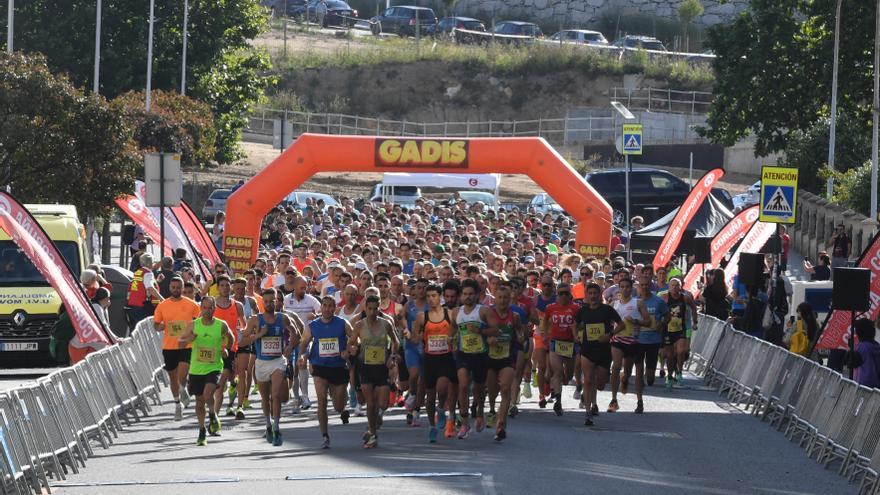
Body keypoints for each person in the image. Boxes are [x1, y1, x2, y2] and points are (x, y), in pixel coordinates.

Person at [240, 288, 299, 446]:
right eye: (265, 301)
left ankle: (276, 427)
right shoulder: (255, 320)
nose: (269, 304)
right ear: (262, 302)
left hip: (278, 361)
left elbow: (296, 333)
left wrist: (289, 346)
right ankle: (267, 425)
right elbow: (242, 342)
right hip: (261, 363)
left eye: (271, 301)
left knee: (276, 395)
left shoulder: (283, 318)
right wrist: (259, 335)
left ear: (277, 301)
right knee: (265, 398)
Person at [298, 296, 355, 449]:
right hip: (319, 367)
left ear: (335, 308)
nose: (328, 309)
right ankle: (325, 435)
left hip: (338, 367)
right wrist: (303, 356)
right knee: (321, 400)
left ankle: (343, 405)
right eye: (325, 305)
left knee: (338, 406)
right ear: (321, 307)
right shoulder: (313, 325)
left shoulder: (343, 323)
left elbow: (355, 340)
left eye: (331, 306)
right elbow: (304, 342)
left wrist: (348, 351)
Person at [178, 296, 234, 446]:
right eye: (205, 308)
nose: (208, 311)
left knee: (207, 393)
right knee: (199, 402)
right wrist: (189, 339)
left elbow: (231, 338)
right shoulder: (193, 325)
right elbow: (180, 344)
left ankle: (212, 413)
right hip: (196, 368)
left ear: (214, 309)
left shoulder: (221, 325)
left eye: (211, 308)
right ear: (200, 308)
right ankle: (202, 430)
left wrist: (226, 349)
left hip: (214, 366)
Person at [349, 295, 399, 448]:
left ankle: (374, 422)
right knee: (370, 404)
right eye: (369, 309)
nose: (372, 312)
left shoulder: (387, 323)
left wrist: (392, 356)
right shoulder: (359, 325)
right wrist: (351, 349)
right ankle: (372, 433)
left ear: (379, 308)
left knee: (382, 404)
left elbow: (395, 342)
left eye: (375, 309)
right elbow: (350, 343)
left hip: (381, 368)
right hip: (365, 368)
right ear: (365, 308)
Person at [451, 278, 498, 438]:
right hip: (463, 354)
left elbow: (495, 330)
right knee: (463, 385)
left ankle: (479, 412)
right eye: (465, 294)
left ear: (477, 295)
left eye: (471, 294)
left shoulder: (484, 311)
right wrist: (451, 342)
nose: (468, 297)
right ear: (461, 296)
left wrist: (481, 332)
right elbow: (453, 331)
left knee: (478, 388)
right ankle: (464, 423)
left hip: (480, 355)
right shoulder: (456, 312)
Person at [413, 283, 459, 442]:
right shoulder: (421, 317)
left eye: (434, 296)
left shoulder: (451, 314)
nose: (431, 299)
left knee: (443, 387)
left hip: (446, 357)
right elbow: (414, 337)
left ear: (440, 297)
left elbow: (458, 331)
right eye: (428, 297)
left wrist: (453, 338)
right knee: (430, 395)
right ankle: (432, 426)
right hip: (429, 359)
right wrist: (414, 337)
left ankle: (441, 409)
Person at [153, 277, 201, 420]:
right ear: (169, 288)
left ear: (182, 288)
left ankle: (182, 387)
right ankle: (177, 404)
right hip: (169, 346)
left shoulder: (192, 305)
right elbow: (156, 324)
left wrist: (192, 335)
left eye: (178, 287)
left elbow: (198, 323)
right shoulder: (163, 305)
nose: (176, 290)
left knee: (182, 374)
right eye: (173, 287)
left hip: (186, 344)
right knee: (173, 378)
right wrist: (160, 327)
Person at [576, 283, 621, 425]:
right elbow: (574, 324)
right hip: (587, 350)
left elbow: (622, 324)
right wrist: (575, 334)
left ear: (599, 294)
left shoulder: (607, 310)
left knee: (600, 383)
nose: (593, 296)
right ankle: (588, 412)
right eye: (590, 293)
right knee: (588, 380)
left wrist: (610, 334)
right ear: (586, 295)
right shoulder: (582, 311)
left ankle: (593, 399)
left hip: (603, 351)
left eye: (595, 293)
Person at [485, 281, 523, 441]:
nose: (502, 300)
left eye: (505, 298)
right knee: (492, 390)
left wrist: (521, 337)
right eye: (499, 297)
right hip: (490, 357)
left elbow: (520, 333)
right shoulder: (488, 314)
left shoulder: (514, 316)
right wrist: (489, 339)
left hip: (507, 357)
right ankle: (493, 409)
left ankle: (501, 423)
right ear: (494, 298)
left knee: (506, 388)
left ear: (510, 298)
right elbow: (481, 333)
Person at [609, 277, 649, 413]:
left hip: (634, 341)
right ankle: (614, 400)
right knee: (616, 366)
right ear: (619, 288)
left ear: (631, 288)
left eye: (627, 286)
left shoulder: (638, 303)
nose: (625, 289)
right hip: (618, 339)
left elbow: (648, 322)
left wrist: (636, 321)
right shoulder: (614, 304)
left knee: (633, 372)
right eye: (622, 286)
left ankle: (638, 399)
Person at [541, 283, 579, 417]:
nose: (563, 296)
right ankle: (558, 400)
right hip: (555, 343)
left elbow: (580, 323)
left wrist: (577, 335)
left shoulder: (576, 308)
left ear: (570, 294)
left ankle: (555, 387)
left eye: (566, 293)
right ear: (556, 294)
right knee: (557, 372)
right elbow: (545, 320)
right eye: (560, 293)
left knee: (567, 377)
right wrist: (545, 334)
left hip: (570, 344)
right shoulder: (550, 308)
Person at [211, 276, 246, 418]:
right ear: (218, 288)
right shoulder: (211, 305)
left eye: (227, 285)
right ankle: (215, 417)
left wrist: (243, 330)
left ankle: (230, 404)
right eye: (222, 285)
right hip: (214, 348)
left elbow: (244, 325)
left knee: (231, 379)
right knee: (221, 381)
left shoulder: (237, 305)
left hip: (231, 348)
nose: (225, 288)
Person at [661, 278, 697, 390]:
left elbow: (694, 308)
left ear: (680, 287)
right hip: (668, 329)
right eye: (672, 285)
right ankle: (670, 376)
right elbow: (658, 309)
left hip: (681, 329)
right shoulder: (664, 297)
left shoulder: (685, 298)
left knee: (681, 351)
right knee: (670, 355)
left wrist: (695, 321)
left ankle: (679, 372)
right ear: (669, 287)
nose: (674, 288)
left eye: (677, 285)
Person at [636, 276, 667, 387]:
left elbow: (667, 316)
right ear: (638, 286)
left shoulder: (658, 301)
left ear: (651, 286)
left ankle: (649, 375)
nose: (644, 287)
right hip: (638, 339)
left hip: (653, 339)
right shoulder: (634, 301)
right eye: (642, 285)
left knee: (650, 377)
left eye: (647, 285)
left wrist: (662, 323)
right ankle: (639, 381)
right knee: (638, 364)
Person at [127, 253, 163, 329]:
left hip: (133, 303)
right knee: (145, 329)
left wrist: (157, 281)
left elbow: (141, 285)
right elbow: (149, 288)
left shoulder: (138, 272)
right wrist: (162, 299)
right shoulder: (148, 273)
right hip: (142, 305)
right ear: (150, 263)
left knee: (136, 328)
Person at [853, 318, 880, 388]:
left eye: (856, 330)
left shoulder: (862, 347)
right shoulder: (876, 345)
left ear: (860, 332)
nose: (855, 332)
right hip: (876, 383)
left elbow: (854, 362)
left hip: (863, 384)